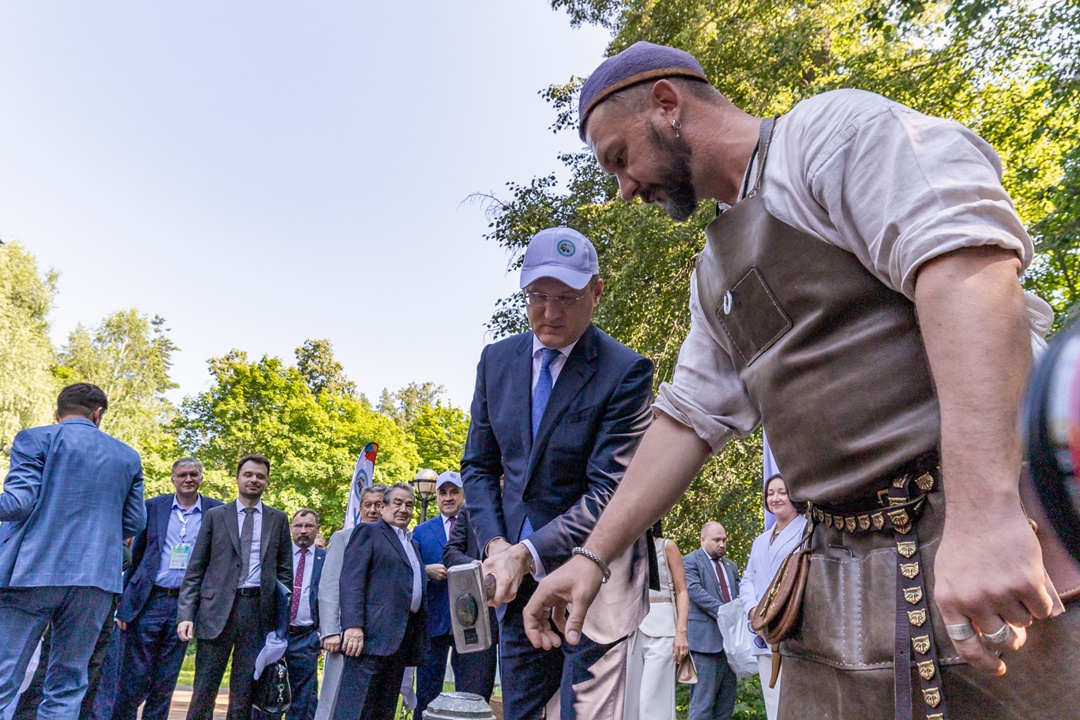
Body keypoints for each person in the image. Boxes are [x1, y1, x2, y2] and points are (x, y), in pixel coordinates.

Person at [525, 40, 1080, 720]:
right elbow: (687, 419)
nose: (624, 187)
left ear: (667, 105)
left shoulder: (830, 136)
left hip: (979, 539)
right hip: (834, 577)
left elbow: (967, 268)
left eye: (620, 158)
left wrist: (985, 514)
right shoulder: (713, 274)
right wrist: (591, 558)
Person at [462, 226, 655, 720]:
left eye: (566, 298)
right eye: (538, 296)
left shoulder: (626, 371)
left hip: (598, 581)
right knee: (521, 710)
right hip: (515, 582)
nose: (549, 313)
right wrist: (497, 547)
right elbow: (479, 467)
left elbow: (609, 490)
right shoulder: (495, 361)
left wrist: (527, 553)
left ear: (596, 292)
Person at [0, 383, 145, 717]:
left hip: (31, 572)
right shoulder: (127, 456)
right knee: (68, 682)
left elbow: (18, 503)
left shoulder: (35, 439)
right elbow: (135, 521)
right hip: (95, 580)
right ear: (97, 414)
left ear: (58, 413)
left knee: (5, 673)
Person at [176, 454, 292, 720]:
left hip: (257, 614)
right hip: (215, 611)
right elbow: (195, 569)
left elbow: (285, 575)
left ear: (267, 482)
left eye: (260, 476)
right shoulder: (216, 516)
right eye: (248, 474)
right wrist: (185, 615)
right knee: (204, 689)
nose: (254, 480)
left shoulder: (278, 519)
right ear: (238, 478)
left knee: (244, 693)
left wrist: (280, 624)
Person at [111, 458, 223, 720]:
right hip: (149, 600)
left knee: (166, 678)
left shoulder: (215, 511)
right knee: (133, 677)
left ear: (201, 478)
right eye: (182, 474)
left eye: (194, 474)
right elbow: (136, 557)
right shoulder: (153, 507)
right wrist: (123, 604)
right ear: (173, 479)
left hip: (185, 607)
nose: (188, 479)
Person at [332, 483, 426, 720]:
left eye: (409, 505)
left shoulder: (412, 544)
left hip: (400, 641)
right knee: (355, 709)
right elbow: (351, 581)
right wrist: (353, 626)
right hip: (368, 639)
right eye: (397, 503)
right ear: (383, 506)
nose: (404, 509)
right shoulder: (369, 532)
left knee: (383, 709)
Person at [314, 484, 386, 720]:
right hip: (344, 638)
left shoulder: (397, 540)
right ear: (360, 508)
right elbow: (329, 585)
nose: (373, 510)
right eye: (368, 505)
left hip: (380, 640)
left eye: (379, 504)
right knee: (333, 701)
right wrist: (331, 631)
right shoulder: (344, 538)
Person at [740, 474, 807, 720]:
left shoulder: (807, 531)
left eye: (781, 492)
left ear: (794, 497)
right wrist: (754, 612)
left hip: (794, 627)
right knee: (772, 702)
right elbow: (748, 579)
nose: (775, 498)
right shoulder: (760, 541)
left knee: (797, 700)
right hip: (762, 629)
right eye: (770, 493)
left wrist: (778, 613)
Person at [411, 471, 468, 717]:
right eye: (443, 492)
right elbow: (408, 570)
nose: (448, 497)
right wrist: (426, 571)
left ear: (462, 495)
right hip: (433, 621)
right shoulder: (421, 531)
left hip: (468, 619)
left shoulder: (476, 525)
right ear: (435, 497)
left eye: (453, 492)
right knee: (427, 690)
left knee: (469, 690)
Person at [622, 521, 688, 720]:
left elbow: (682, 590)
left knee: (653, 700)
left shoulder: (667, 546)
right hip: (631, 630)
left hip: (663, 628)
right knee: (629, 703)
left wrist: (681, 632)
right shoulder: (625, 550)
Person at [442, 504, 499, 702]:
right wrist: (479, 568)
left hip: (521, 615)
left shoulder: (526, 505)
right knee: (473, 693)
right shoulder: (471, 510)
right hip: (476, 616)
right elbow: (450, 553)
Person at [683, 523, 739, 720]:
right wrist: (726, 612)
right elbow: (694, 591)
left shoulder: (731, 566)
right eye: (716, 540)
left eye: (724, 540)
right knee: (702, 706)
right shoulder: (690, 561)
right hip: (705, 644)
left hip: (730, 645)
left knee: (726, 707)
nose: (722, 544)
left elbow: (738, 595)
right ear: (703, 540)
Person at [286, 509, 326, 720]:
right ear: (291, 528)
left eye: (309, 526)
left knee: (302, 699)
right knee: (269, 694)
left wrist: (322, 632)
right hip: (277, 635)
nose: (303, 531)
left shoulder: (326, 559)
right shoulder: (278, 555)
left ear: (317, 529)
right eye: (298, 526)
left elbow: (331, 597)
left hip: (307, 637)